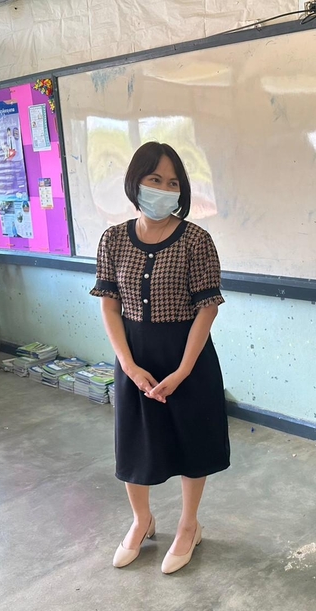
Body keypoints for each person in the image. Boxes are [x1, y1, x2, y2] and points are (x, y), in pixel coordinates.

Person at [91, 142, 230, 574]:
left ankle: (189, 525)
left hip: (187, 357)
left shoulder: (196, 240)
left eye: (173, 183)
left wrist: (184, 370)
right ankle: (141, 520)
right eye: (155, 180)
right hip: (135, 359)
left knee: (192, 443)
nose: (164, 190)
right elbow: (109, 305)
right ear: (136, 182)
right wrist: (128, 366)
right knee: (135, 443)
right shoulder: (113, 239)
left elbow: (207, 308)